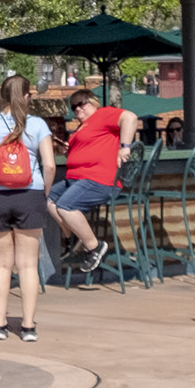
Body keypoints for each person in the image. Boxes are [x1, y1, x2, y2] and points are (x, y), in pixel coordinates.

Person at [0, 74, 54, 342]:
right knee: (28, 265)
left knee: (1, 265)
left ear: (2, 97)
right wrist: (44, 191)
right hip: (30, 195)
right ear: (27, 97)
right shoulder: (38, 124)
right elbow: (50, 165)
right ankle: (28, 327)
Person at [50, 86, 140, 269]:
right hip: (77, 179)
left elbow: (130, 118)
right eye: (73, 107)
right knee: (48, 199)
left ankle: (94, 246)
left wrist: (125, 146)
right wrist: (65, 149)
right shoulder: (81, 128)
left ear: (92, 102)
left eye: (81, 104)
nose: (77, 109)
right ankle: (74, 237)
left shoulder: (103, 114)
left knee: (65, 206)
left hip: (99, 179)